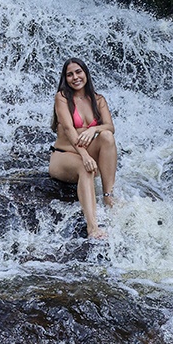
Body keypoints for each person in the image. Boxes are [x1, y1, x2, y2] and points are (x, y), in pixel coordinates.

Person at [48, 57, 117, 240]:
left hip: (87, 153)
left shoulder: (98, 99)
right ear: (65, 78)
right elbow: (70, 130)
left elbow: (110, 127)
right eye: (69, 74)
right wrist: (85, 156)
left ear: (86, 73)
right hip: (64, 156)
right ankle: (92, 227)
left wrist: (95, 128)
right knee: (84, 168)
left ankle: (108, 195)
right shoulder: (62, 97)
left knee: (107, 137)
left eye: (78, 72)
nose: (75, 77)